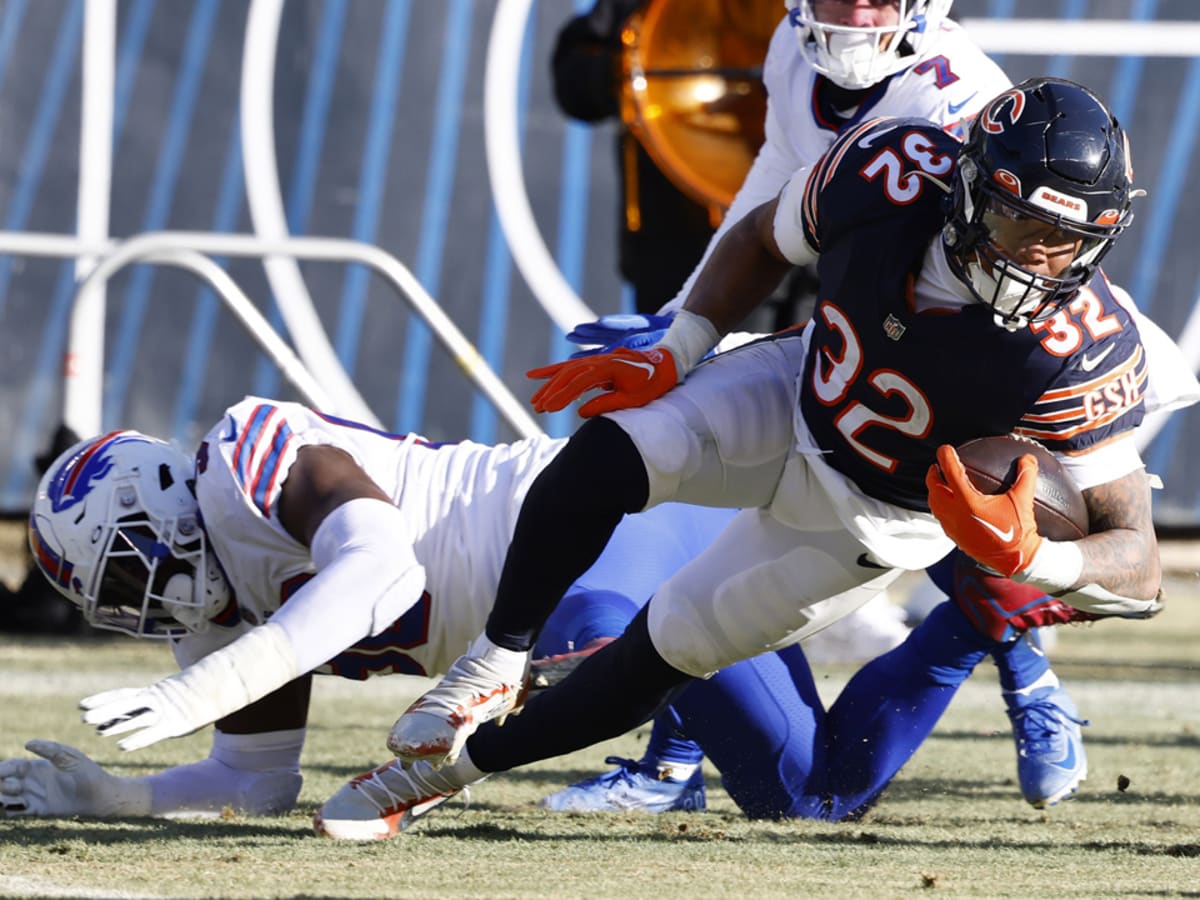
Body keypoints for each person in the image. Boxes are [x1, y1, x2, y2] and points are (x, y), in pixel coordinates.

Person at [330, 78, 1174, 840]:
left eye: (1066, 240)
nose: (1037, 258)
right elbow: (764, 239)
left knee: (662, 651)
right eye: (1019, 221)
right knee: (614, 448)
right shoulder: (891, 169)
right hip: (796, 389)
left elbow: (1138, 566)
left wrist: (1034, 556)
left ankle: (443, 772)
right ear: (965, 183)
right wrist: (682, 343)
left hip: (869, 517)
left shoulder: (1084, 348)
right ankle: (493, 662)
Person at [1, 398, 1066, 831]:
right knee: (818, 794)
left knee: (573, 649)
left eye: (130, 572)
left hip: (600, 551)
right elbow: (256, 781)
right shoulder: (230, 611)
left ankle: (657, 756)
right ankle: (979, 614)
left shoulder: (245, 459)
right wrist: (117, 795)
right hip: (584, 613)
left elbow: (374, 574)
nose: (144, 606)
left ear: (157, 507)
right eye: (116, 603)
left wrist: (207, 685)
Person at [546, 0, 1103, 814]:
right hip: (850, 295)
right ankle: (670, 764)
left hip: (966, 330)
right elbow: (770, 184)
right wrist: (685, 317)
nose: (855, 8)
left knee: (933, 494)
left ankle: (1030, 682)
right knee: (719, 491)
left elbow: (1008, 260)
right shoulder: (789, 44)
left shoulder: (958, 93)